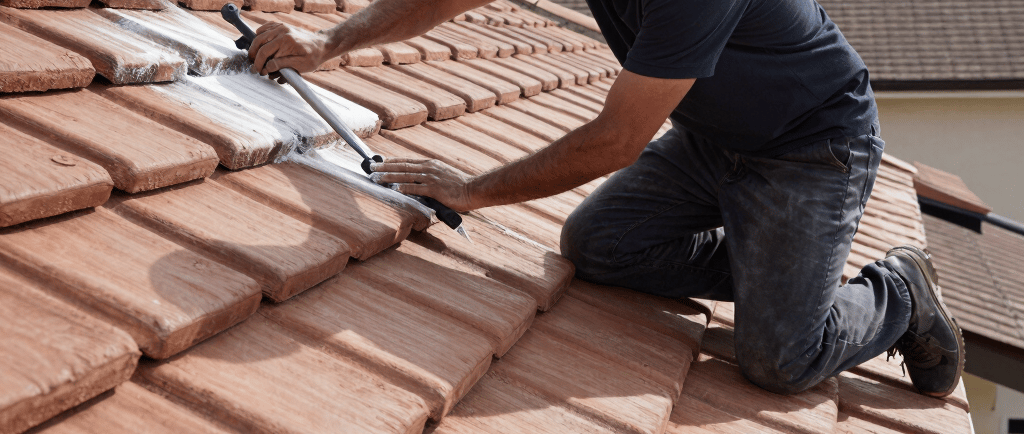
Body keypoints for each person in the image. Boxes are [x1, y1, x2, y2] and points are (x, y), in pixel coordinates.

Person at [248, 0, 965, 396]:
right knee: (599, 245)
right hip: (712, 138)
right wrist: (329, 40)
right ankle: (785, 270)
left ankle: (898, 292)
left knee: (781, 358)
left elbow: (617, 139)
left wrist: (470, 190)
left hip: (812, 147)